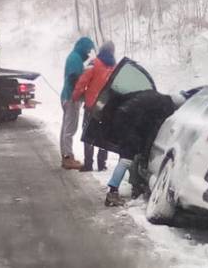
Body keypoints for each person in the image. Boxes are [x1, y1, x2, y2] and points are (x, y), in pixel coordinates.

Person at [102, 88, 188, 207]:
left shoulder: (153, 94)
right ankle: (112, 193)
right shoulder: (165, 108)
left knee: (125, 156)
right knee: (126, 160)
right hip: (129, 124)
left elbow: (127, 97)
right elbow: (152, 131)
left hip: (121, 115)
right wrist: (146, 152)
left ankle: (119, 189)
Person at [71, 39, 116, 172]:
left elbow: (82, 82)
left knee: (88, 133)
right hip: (106, 106)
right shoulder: (115, 67)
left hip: (91, 105)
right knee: (104, 134)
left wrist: (76, 96)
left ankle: (88, 164)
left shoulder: (94, 63)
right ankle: (102, 164)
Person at [59, 36, 95, 169]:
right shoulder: (75, 58)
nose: (88, 53)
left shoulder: (74, 57)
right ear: (83, 48)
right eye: (87, 50)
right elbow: (75, 77)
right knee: (70, 129)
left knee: (65, 128)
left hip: (66, 96)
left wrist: (85, 70)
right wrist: (81, 94)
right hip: (71, 97)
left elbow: (76, 73)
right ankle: (68, 158)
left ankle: (65, 156)